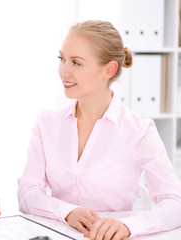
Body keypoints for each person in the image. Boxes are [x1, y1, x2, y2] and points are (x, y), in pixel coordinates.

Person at [17, 20, 181, 239]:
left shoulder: (139, 131)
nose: (63, 70)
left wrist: (128, 226)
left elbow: (175, 203)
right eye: (62, 59)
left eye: (76, 63)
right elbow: (28, 192)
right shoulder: (47, 123)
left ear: (110, 69)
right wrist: (67, 212)